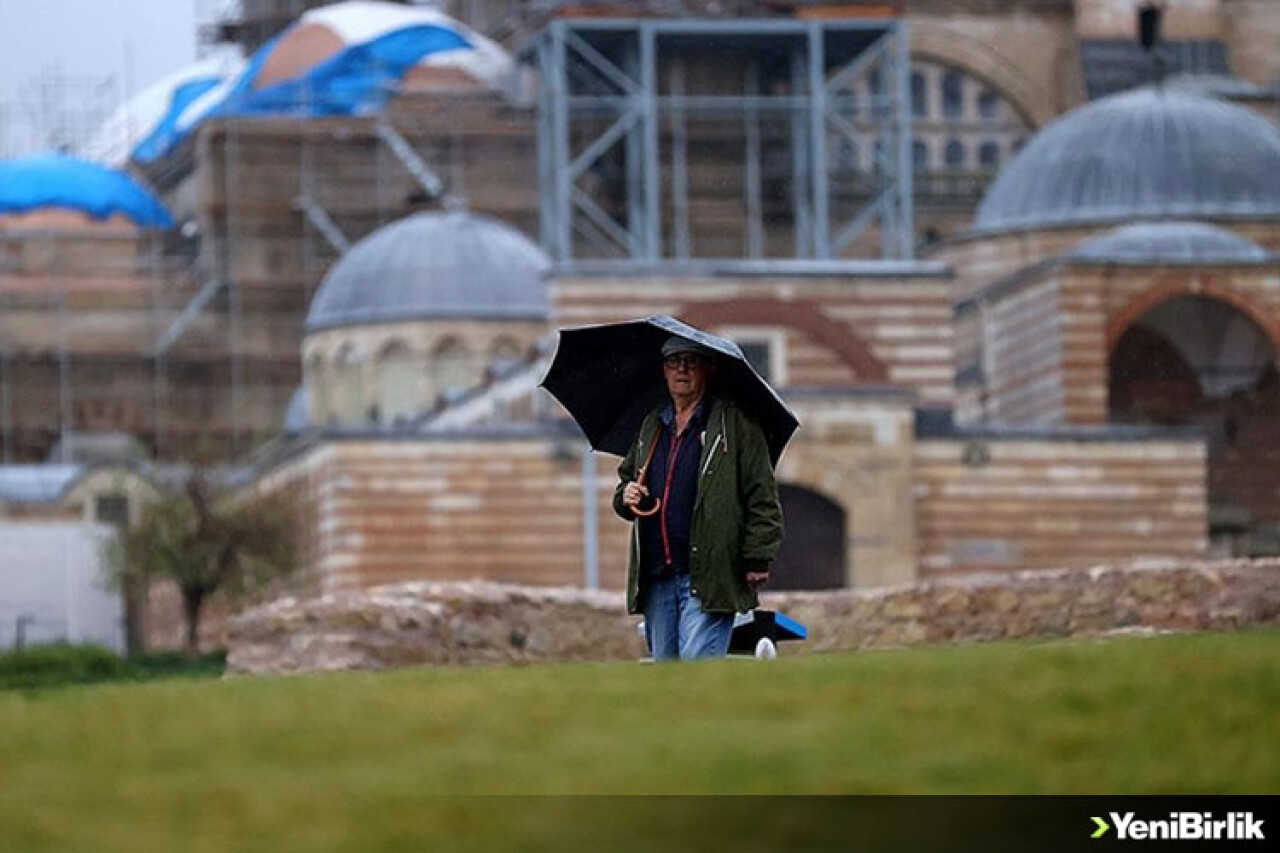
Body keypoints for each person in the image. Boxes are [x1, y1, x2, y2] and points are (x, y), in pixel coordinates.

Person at [612, 335, 783, 661]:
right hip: (657, 574)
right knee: (668, 674)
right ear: (663, 370)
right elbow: (626, 482)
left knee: (697, 667)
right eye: (674, 362)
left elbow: (762, 495)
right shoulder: (652, 425)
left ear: (709, 369)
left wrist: (758, 556)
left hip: (710, 572)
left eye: (691, 362)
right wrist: (627, 495)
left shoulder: (736, 426)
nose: (682, 370)